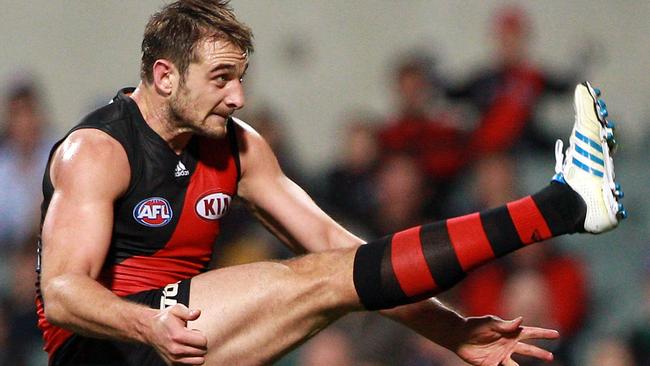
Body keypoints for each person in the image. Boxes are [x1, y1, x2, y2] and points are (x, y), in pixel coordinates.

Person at [36, 1, 626, 365]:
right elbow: (62, 292)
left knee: (330, 273)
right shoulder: (98, 150)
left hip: (179, 335)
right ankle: (560, 205)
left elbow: (346, 256)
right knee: (311, 282)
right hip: (112, 348)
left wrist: (451, 333)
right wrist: (147, 325)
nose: (238, 97)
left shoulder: (239, 146)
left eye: (241, 79)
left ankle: (563, 205)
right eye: (220, 78)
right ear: (165, 76)